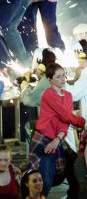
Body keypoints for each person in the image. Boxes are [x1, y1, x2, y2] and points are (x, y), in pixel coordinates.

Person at [28, 63, 85, 196]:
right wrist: (82, 122)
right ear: (49, 80)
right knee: (45, 181)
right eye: (58, 77)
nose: (63, 79)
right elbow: (66, 115)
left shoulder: (68, 96)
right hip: (43, 139)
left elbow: (65, 121)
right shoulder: (48, 94)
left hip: (57, 139)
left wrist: (58, 139)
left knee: (73, 173)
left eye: (63, 76)